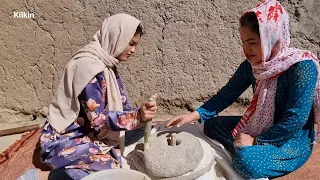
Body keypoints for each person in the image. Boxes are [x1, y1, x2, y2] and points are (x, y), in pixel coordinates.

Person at [166, 0, 320, 179]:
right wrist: (193, 115)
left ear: (271, 37)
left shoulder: (301, 66)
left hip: (291, 138)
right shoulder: (252, 66)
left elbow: (296, 118)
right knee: (211, 125)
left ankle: (242, 150)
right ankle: (240, 147)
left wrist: (257, 141)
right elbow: (226, 95)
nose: (247, 49)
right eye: (244, 42)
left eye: (252, 42)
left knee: (246, 161)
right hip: (260, 124)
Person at [18, 13, 158, 180]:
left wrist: (141, 116)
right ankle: (40, 176)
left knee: (141, 130)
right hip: (68, 136)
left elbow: (121, 103)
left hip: (91, 131)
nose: (133, 50)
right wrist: (136, 116)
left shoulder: (107, 63)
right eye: (131, 44)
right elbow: (97, 119)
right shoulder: (89, 66)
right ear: (117, 37)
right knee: (107, 170)